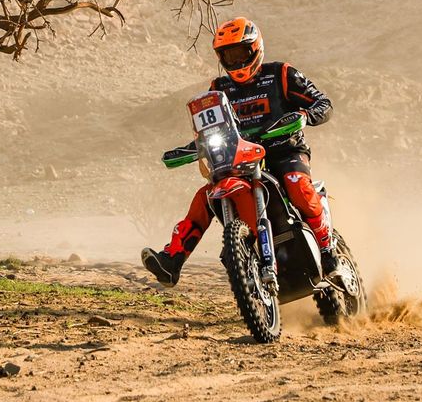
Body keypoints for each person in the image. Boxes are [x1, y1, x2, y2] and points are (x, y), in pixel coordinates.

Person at [140, 17, 336, 287]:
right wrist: (194, 147)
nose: (236, 61)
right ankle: (172, 261)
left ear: (255, 49)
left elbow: (322, 102)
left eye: (241, 53)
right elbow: (209, 129)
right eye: (228, 56)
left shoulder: (281, 74)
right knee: (205, 197)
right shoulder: (219, 89)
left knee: (298, 186)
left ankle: (327, 250)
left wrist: (305, 116)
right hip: (240, 158)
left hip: (284, 150)